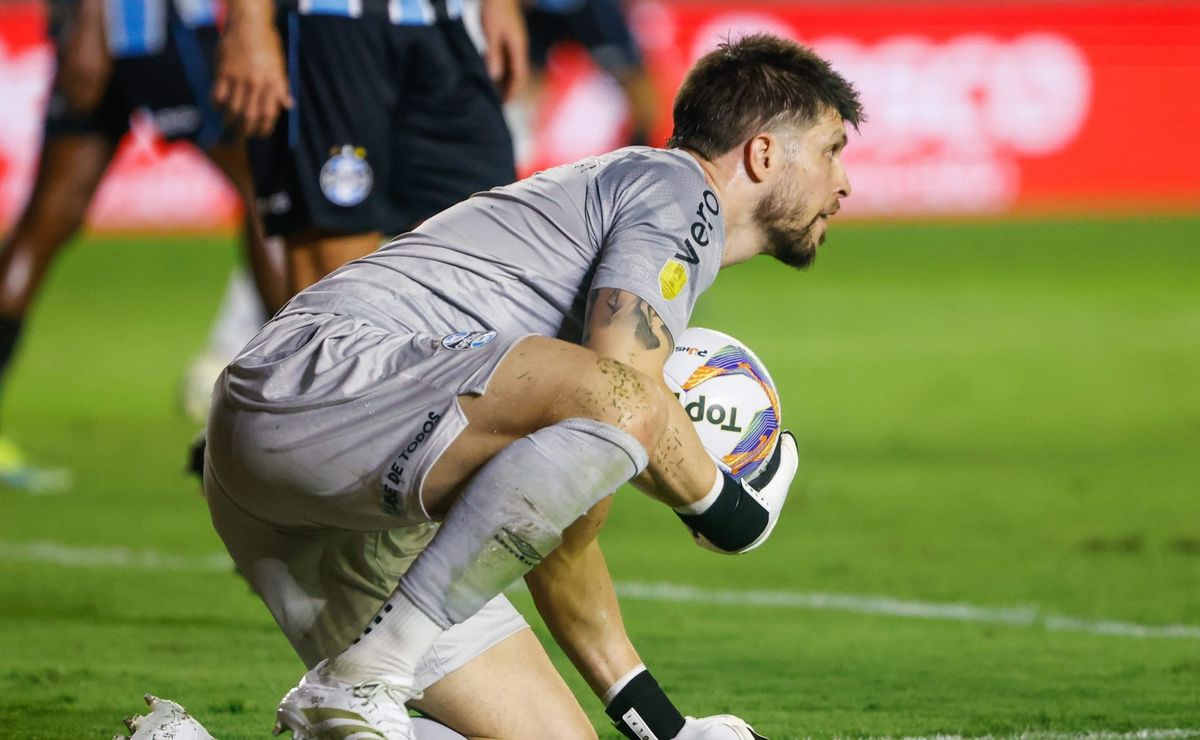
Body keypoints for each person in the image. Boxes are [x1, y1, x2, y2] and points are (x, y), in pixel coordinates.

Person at [203, 33, 861, 739]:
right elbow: (623, 395)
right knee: (621, 401)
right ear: (763, 154)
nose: (844, 183)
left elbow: (556, 533)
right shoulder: (678, 191)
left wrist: (668, 730)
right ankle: (371, 672)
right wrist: (726, 508)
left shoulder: (619, 254)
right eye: (831, 151)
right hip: (320, 379)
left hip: (335, 484)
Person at [0, 0, 287, 490]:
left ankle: (303, 391)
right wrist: (94, 18)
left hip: (104, 29)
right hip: (151, 25)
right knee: (268, 186)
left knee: (47, 220)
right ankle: (308, 394)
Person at [212, 0, 528, 297]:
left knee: (484, 254)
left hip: (444, 21)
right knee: (333, 284)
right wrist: (248, 20)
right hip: (327, 24)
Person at [522, 0, 659, 147]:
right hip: (539, 12)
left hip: (590, 9)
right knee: (521, 78)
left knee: (637, 86)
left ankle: (642, 151)